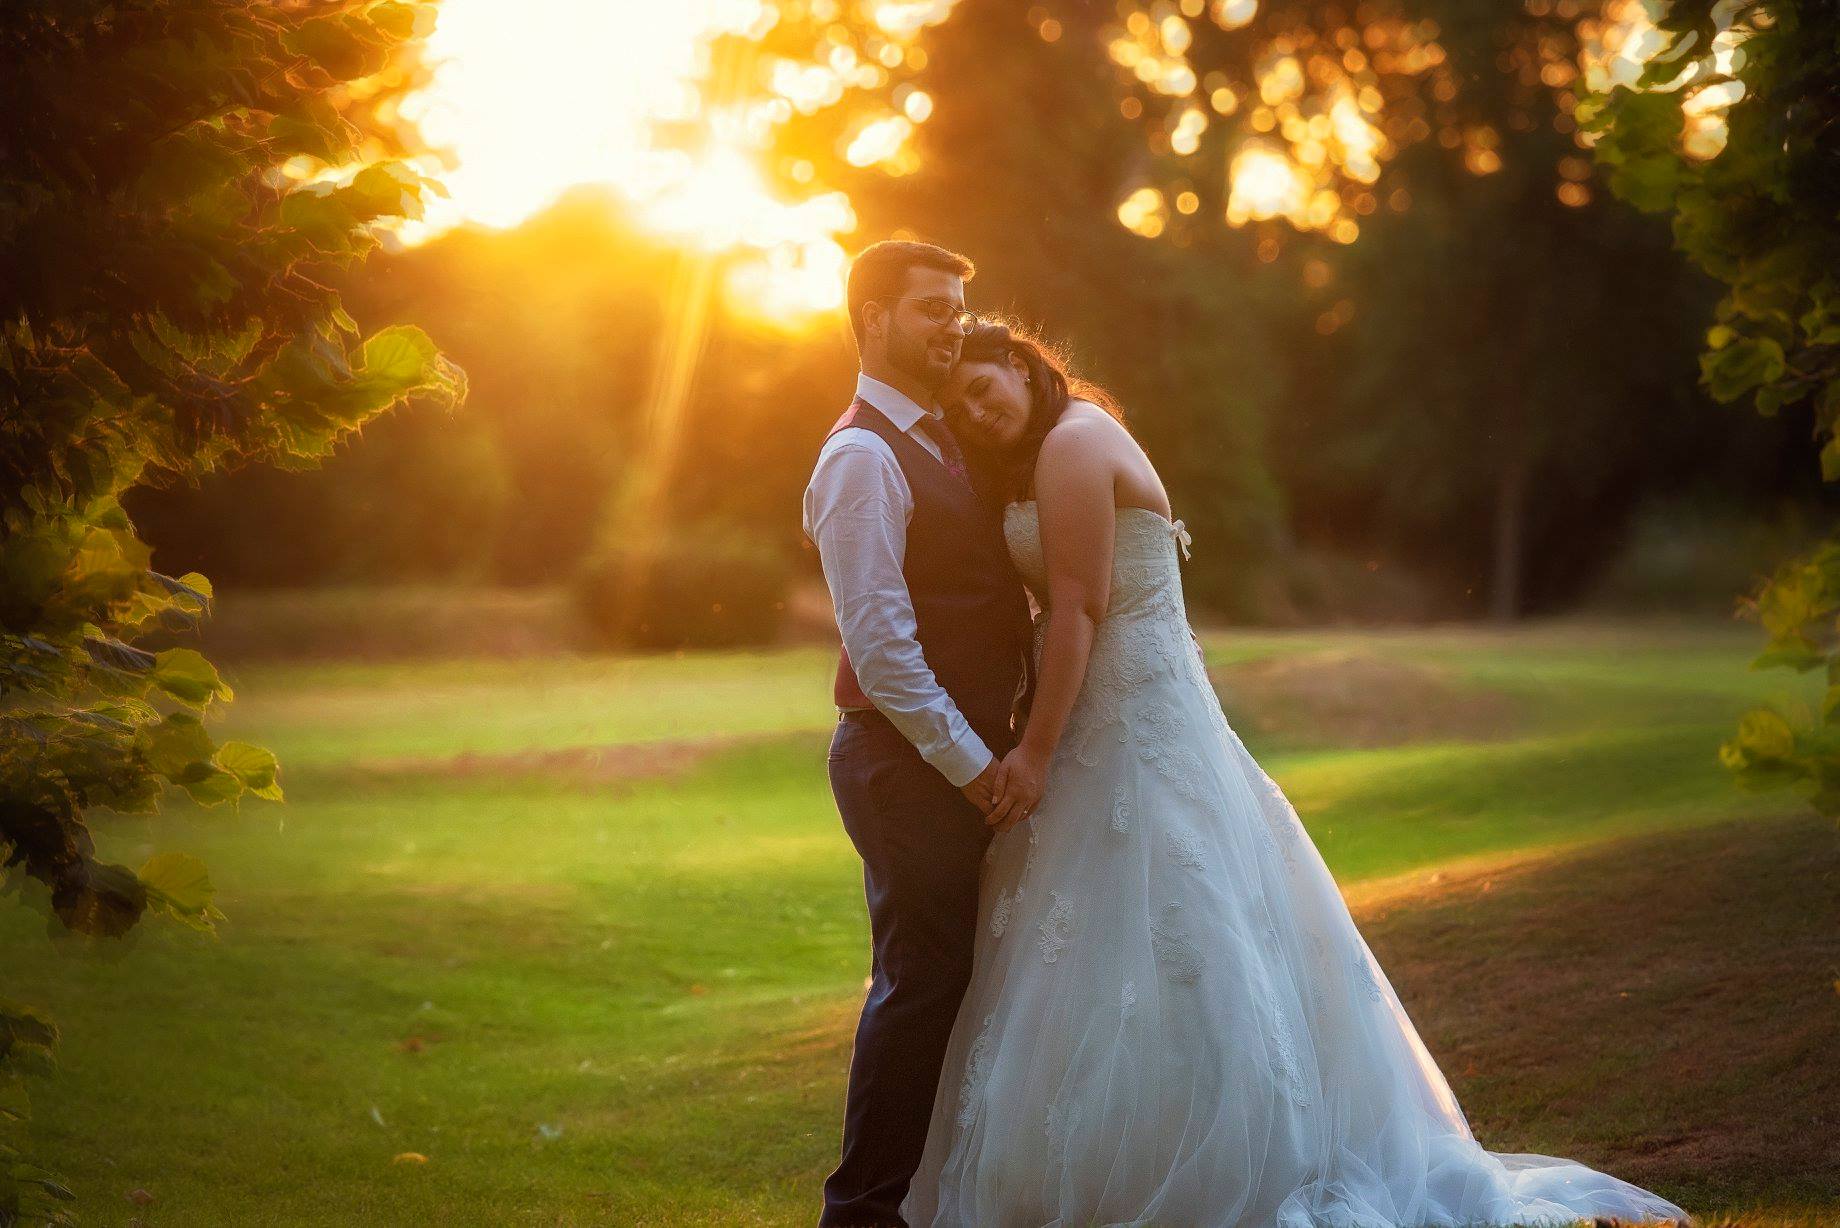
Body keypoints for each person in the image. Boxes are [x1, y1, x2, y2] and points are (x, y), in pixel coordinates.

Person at [898, 318, 1690, 1228]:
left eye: (984, 382)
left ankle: (1224, 1162)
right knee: (1110, 933)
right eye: (957, 404)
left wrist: (1032, 753)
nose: (975, 407)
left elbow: (1078, 606)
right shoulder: (1053, 450)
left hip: (1131, 714)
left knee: (1175, 921)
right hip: (1109, 717)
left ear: (1023, 364)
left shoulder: (1075, 440)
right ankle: (1106, 1161)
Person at [802, 242, 1034, 1227]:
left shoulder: (943, 439)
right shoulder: (861, 455)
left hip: (945, 758)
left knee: (947, 975)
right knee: (920, 978)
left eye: (957, 308)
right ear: (872, 319)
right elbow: (884, 651)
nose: (951, 325)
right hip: (905, 764)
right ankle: (861, 1211)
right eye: (931, 308)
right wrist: (977, 768)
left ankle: (934, 1195)